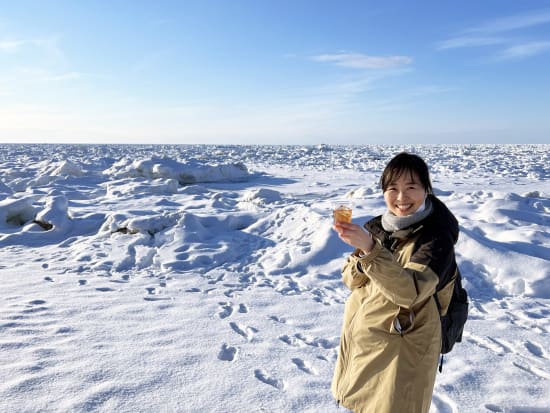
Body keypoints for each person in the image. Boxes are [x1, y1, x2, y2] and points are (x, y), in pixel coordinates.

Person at [331, 152, 460, 413]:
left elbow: (410, 292)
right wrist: (362, 254)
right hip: (365, 345)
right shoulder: (379, 227)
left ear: (426, 189)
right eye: (393, 188)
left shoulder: (435, 240)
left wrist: (370, 250)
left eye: (411, 187)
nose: (401, 198)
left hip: (403, 351)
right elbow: (350, 279)